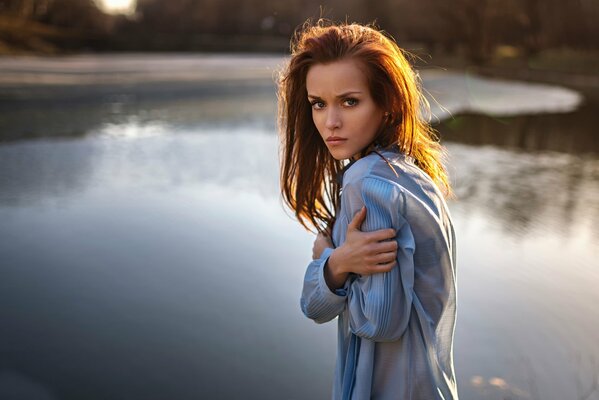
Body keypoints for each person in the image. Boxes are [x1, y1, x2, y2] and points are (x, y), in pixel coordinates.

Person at [276, 19, 458, 400]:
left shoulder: (366, 181)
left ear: (387, 103)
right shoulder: (412, 171)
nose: (330, 122)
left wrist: (330, 261)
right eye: (318, 104)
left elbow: (377, 320)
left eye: (350, 101)